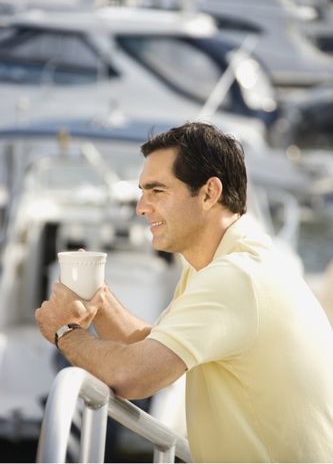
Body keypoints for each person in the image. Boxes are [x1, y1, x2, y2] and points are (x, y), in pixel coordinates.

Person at [35, 122, 333, 463]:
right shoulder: (221, 262)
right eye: (142, 191)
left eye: (157, 191)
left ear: (209, 193)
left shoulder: (235, 277)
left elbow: (133, 377)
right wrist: (99, 302)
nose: (141, 207)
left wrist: (64, 333)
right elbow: (153, 350)